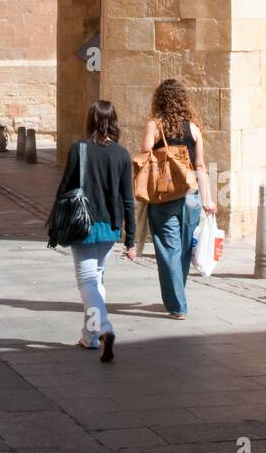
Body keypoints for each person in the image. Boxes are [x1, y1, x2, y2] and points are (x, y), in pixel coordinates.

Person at [56, 100, 136, 362]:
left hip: (84, 226)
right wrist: (131, 239)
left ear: (90, 120)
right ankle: (90, 336)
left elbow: (65, 188)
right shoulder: (122, 154)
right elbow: (128, 199)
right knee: (97, 278)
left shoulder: (79, 149)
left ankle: (103, 328)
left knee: (87, 281)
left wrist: (56, 225)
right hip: (110, 228)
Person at [140, 78, 217, 320]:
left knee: (168, 250)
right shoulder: (194, 129)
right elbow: (200, 166)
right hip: (192, 196)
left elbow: (144, 154)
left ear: (159, 100)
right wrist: (208, 199)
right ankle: (178, 297)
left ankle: (177, 305)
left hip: (163, 196)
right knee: (183, 250)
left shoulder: (155, 125)